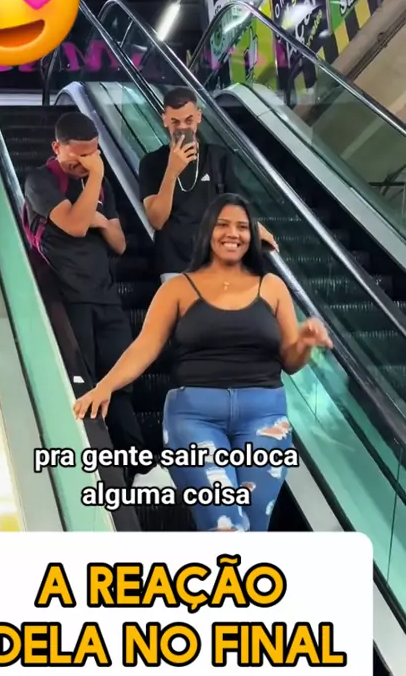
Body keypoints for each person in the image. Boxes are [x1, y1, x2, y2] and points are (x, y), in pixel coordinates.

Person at [73, 193, 332, 531]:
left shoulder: (272, 287)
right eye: (223, 225)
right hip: (194, 418)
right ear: (208, 231)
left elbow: (290, 362)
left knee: (253, 528)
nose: (233, 233)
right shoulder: (179, 288)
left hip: (265, 417)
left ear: (253, 235)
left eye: (242, 227)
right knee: (225, 527)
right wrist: (105, 386)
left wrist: (305, 343)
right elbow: (145, 346)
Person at [24, 110, 144, 456]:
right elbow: (75, 225)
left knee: (119, 383)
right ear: (57, 148)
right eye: (79, 155)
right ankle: (95, 460)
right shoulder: (40, 181)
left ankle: (136, 464)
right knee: (83, 383)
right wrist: (95, 185)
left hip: (106, 297)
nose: (88, 162)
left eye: (93, 153)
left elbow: (119, 244)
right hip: (66, 298)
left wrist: (101, 221)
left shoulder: (100, 185)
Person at [138, 86, 277, 283]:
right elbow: (157, 220)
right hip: (175, 261)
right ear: (164, 120)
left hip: (216, 258)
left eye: (189, 120)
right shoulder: (152, 163)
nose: (183, 128)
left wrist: (256, 228)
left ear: (199, 116)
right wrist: (172, 171)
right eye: (175, 122)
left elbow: (236, 206)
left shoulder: (218, 157)